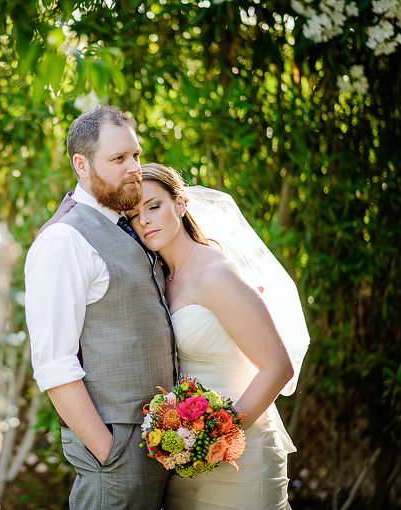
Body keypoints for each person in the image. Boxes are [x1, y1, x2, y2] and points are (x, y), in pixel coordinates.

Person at [125, 162, 306, 510]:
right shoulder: (162, 278)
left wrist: (219, 436)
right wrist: (185, 442)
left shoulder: (214, 273)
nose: (144, 220)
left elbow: (278, 366)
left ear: (180, 203)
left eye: (153, 206)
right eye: (134, 214)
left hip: (240, 453)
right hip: (187, 454)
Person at [24, 105, 176, 509]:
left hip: (161, 446)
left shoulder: (128, 225)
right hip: (117, 457)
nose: (134, 168)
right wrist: (110, 453)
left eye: (136, 155)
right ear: (82, 164)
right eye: (118, 158)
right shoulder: (64, 240)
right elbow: (54, 363)